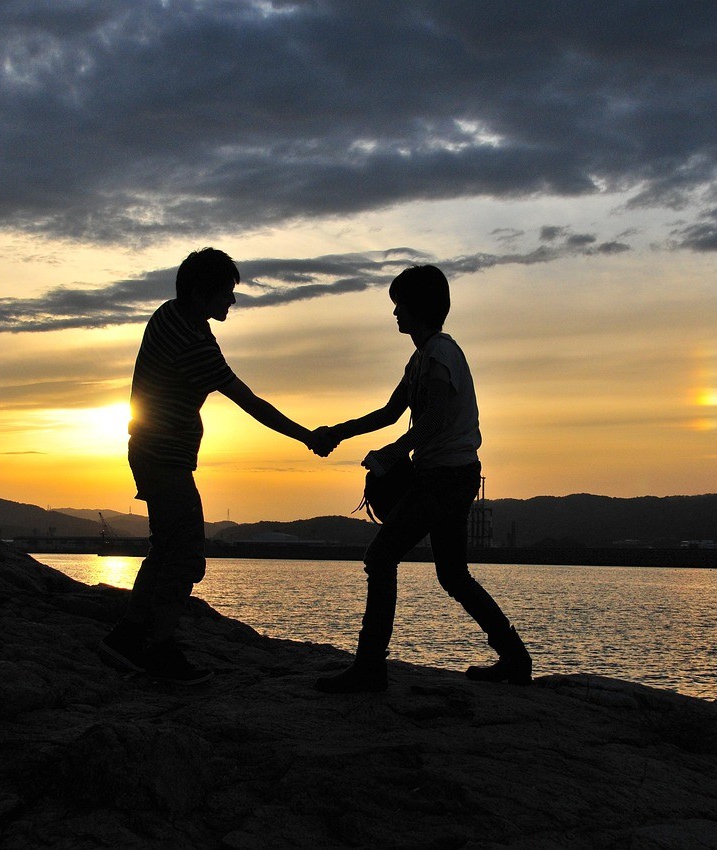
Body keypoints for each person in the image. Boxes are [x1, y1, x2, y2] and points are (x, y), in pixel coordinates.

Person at [99, 247, 326, 684]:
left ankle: (126, 638)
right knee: (184, 554)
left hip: (148, 451)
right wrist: (307, 436)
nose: (233, 302)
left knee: (165, 547)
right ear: (202, 293)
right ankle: (159, 651)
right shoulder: (195, 342)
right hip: (165, 459)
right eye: (227, 292)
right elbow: (250, 403)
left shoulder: (168, 315)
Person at [312, 264, 532, 693]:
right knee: (452, 574)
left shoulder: (440, 354)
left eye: (399, 305)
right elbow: (390, 413)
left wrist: (394, 453)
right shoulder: (421, 357)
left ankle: (370, 668)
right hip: (449, 475)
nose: (394, 313)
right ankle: (515, 658)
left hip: (445, 477)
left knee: (380, 557)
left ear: (418, 308)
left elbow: (433, 420)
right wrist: (336, 432)